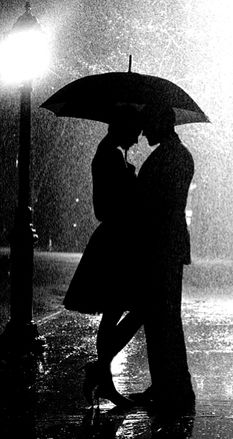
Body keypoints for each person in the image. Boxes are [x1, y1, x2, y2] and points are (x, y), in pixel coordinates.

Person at [63, 103, 143, 407]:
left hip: (115, 242)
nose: (137, 138)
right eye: (135, 130)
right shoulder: (110, 156)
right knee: (130, 308)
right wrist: (130, 182)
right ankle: (100, 371)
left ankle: (104, 376)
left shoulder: (110, 153)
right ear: (124, 127)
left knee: (114, 312)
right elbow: (105, 207)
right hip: (115, 245)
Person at [129, 105, 195, 412]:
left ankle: (172, 388)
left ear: (161, 122)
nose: (143, 133)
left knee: (162, 319)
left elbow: (152, 202)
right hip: (169, 243)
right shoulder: (178, 154)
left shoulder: (168, 157)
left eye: (148, 125)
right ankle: (171, 385)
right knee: (164, 318)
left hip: (161, 244)